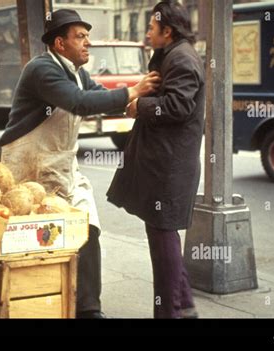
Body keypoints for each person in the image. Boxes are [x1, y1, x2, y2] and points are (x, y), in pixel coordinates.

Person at [0, 9, 160, 319]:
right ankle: (28, 302)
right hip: (28, 166)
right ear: (60, 43)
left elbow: (95, 94)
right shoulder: (41, 69)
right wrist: (133, 90)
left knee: (88, 228)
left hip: (60, 166)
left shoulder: (75, 70)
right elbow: (78, 101)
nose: (88, 43)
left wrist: (131, 105)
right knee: (35, 237)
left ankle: (89, 309)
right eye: (80, 37)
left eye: (87, 36)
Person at [107, 0, 205, 319]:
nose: (147, 32)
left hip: (170, 164)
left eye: (152, 27)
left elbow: (177, 107)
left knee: (162, 236)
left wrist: (139, 107)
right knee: (161, 231)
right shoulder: (169, 54)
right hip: (161, 161)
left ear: (168, 30)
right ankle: (185, 305)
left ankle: (170, 313)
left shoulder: (183, 59)